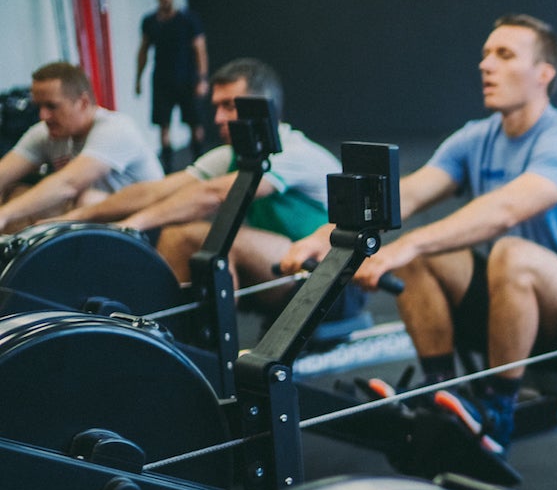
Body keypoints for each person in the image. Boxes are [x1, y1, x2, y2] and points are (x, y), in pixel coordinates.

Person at [281, 13, 557, 451]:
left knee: (507, 252)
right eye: (485, 55)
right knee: (423, 259)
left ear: (544, 74)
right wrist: (324, 238)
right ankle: (436, 388)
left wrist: (404, 246)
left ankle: (498, 408)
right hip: (511, 309)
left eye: (504, 55)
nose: (486, 65)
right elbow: (405, 194)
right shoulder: (475, 139)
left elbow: (504, 210)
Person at [60, 58, 355, 322]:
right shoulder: (233, 155)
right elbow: (156, 191)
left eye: (229, 106)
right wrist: (77, 217)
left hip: (333, 283)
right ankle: (184, 338)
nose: (217, 119)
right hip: (281, 270)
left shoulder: (294, 153)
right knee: (185, 232)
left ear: (262, 107)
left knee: (189, 235)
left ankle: (187, 343)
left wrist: (131, 225)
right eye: (216, 107)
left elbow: (214, 194)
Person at [0, 63, 164, 233]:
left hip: (146, 226)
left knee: (87, 199)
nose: (43, 116)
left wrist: (4, 214)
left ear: (84, 103)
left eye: (52, 106)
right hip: (94, 218)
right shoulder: (45, 132)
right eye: (39, 106)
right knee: (16, 194)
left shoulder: (116, 129)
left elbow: (69, 184)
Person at [136, 0, 209, 164]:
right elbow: (143, 50)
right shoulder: (150, 22)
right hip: (162, 80)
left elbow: (200, 50)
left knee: (195, 123)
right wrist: (138, 79)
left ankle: (199, 162)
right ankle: (167, 167)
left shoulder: (188, 19)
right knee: (163, 125)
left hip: (187, 79)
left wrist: (202, 79)